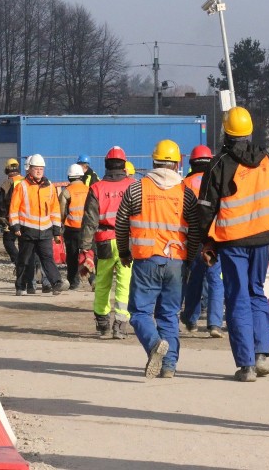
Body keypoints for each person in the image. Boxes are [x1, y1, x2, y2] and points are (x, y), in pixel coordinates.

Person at [197, 106, 269, 381]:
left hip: (232, 240)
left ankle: (246, 365)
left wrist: (206, 242)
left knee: (237, 297)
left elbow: (206, 208)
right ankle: (261, 355)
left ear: (225, 132)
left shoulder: (219, 164)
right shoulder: (265, 159)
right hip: (263, 238)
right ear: (248, 132)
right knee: (257, 292)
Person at [115, 140, 200, 378]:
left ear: (154, 161)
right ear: (176, 164)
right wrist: (190, 259)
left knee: (140, 312)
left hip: (146, 260)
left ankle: (153, 344)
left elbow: (121, 223)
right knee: (169, 315)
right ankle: (169, 366)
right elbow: (194, 229)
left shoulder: (137, 188)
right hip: (176, 261)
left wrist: (123, 251)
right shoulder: (186, 192)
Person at [79, 146, 135, 339]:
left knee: (102, 283)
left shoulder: (96, 188)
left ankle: (103, 323)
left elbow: (89, 222)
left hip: (104, 241)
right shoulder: (133, 185)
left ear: (106, 165)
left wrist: (85, 249)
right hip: (127, 242)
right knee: (124, 284)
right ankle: (120, 325)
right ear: (124, 164)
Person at [181, 144, 224, 337]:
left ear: (191, 163)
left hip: (194, 238)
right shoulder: (217, 181)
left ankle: (190, 320)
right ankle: (214, 324)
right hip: (215, 237)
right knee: (215, 279)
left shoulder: (185, 184)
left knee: (194, 279)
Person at [8, 154, 67, 296]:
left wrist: (56, 230)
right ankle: (21, 286)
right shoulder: (22, 186)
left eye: (41, 168)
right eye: (36, 168)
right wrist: (15, 226)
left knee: (48, 257)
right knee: (24, 259)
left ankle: (56, 283)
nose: (39, 171)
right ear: (30, 169)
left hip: (45, 230)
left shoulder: (50, 186)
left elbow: (55, 209)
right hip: (27, 230)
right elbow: (14, 207)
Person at [59, 163, 88, 290]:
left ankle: (73, 281)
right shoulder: (89, 189)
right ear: (81, 176)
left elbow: (62, 211)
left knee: (72, 256)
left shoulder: (67, 191)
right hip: (87, 228)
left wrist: (61, 223)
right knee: (89, 254)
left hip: (72, 229)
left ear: (69, 177)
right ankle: (94, 280)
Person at [0, 158, 23, 267]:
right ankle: (35, 267)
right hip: (28, 218)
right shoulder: (25, 181)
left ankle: (19, 264)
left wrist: (3, 220)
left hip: (13, 218)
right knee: (27, 245)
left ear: (7, 169)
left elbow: (3, 204)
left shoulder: (7, 184)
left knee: (8, 241)